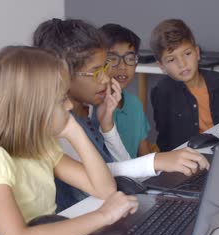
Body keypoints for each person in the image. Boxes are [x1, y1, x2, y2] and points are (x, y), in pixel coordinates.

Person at [0, 46, 138, 235]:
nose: (69, 105)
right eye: (61, 100)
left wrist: (74, 131)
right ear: (32, 109)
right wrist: (103, 216)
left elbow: (104, 189)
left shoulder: (41, 148)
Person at [33, 18, 209, 211]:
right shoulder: (55, 124)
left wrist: (107, 126)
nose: (106, 78)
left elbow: (121, 170)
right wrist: (155, 160)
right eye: (95, 71)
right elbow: (93, 176)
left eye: (105, 68)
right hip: (79, 215)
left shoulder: (91, 108)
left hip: (108, 207)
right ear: (63, 74)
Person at [150, 19, 219, 151]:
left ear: (197, 52)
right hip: (185, 160)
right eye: (172, 59)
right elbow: (165, 140)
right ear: (161, 66)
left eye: (187, 54)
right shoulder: (162, 91)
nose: (182, 64)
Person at [99, 23, 151, 158]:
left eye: (129, 58)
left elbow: (144, 155)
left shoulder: (135, 104)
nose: (123, 66)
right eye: (113, 59)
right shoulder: (93, 108)